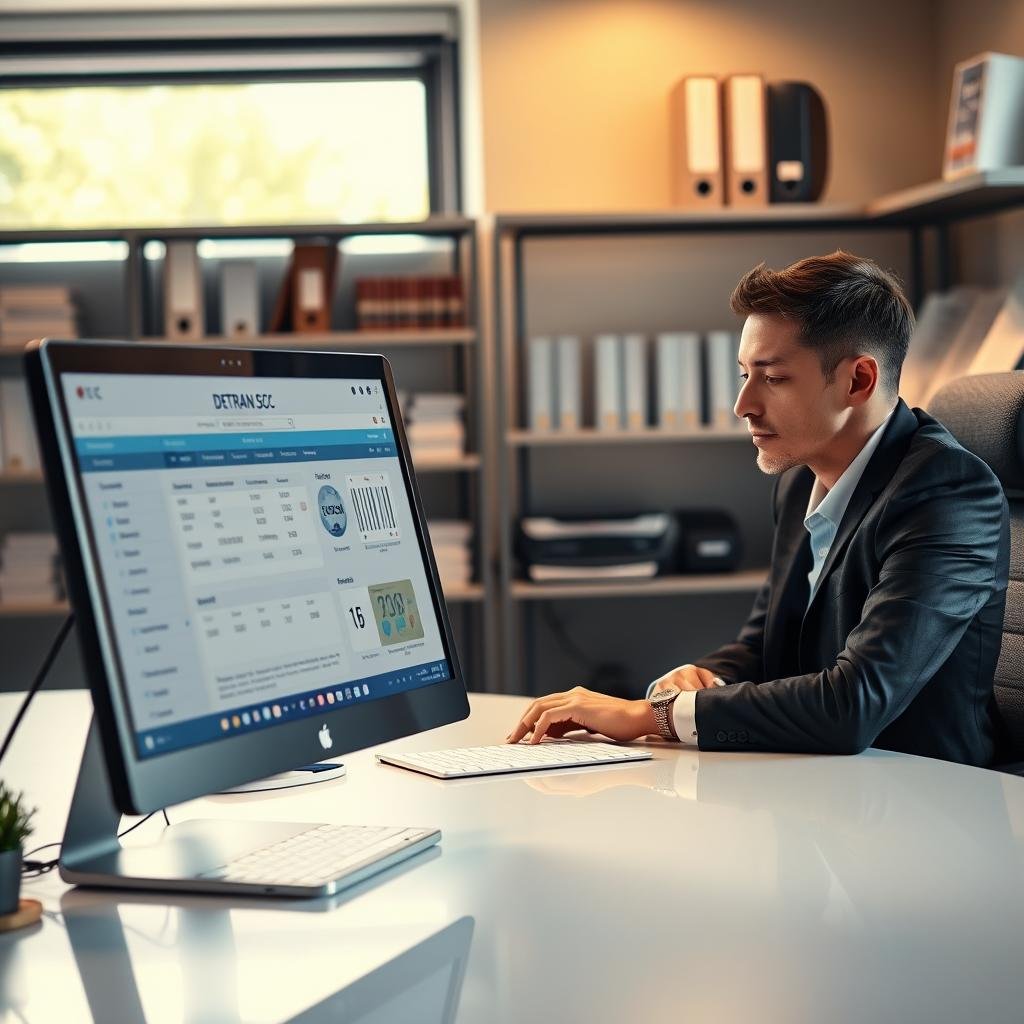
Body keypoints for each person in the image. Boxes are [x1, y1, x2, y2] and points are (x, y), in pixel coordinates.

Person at [506, 252, 1010, 766]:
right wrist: (699, 681)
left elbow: (854, 703)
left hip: (928, 800)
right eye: (745, 374)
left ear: (858, 381)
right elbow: (764, 646)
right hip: (823, 784)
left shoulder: (948, 494)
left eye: (772, 378)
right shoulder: (799, 480)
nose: (742, 404)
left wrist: (650, 716)